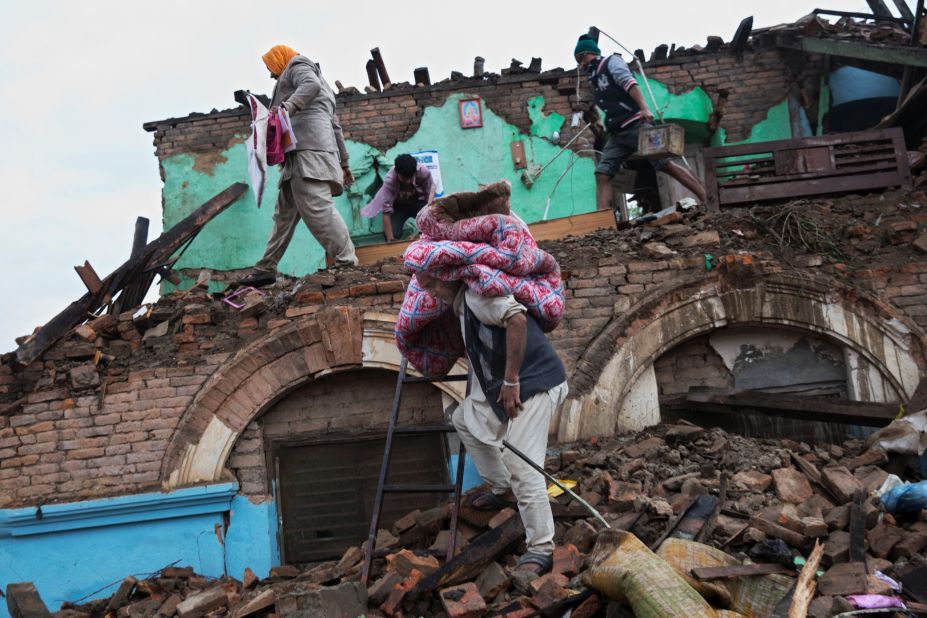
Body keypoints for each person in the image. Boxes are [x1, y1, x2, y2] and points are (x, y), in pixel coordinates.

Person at [416, 272, 569, 575]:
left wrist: (511, 380)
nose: (433, 293)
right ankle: (502, 488)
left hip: (535, 382)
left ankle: (541, 547)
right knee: (463, 418)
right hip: (508, 386)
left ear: (450, 276)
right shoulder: (463, 304)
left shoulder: (478, 295)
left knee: (521, 463)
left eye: (433, 284)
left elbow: (517, 320)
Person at [238, 45, 358, 288]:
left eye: (271, 68)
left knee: (318, 209)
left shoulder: (297, 65)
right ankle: (266, 267)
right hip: (302, 155)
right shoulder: (326, 90)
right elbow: (336, 128)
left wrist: (285, 108)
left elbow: (309, 85)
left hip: (308, 152)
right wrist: (344, 163)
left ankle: (347, 262)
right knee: (283, 216)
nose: (272, 75)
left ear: (279, 59)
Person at [574, 35, 707, 212]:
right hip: (616, 133)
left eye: (580, 60)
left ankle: (705, 197)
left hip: (635, 125)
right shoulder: (593, 77)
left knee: (665, 164)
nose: (580, 66)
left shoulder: (611, 62)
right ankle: (602, 221)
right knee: (602, 173)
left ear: (584, 55)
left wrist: (644, 109)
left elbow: (630, 83)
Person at [362, 154, 435, 242]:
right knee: (391, 233)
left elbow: (429, 202)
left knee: (432, 225)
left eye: (410, 178)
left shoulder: (423, 172)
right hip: (399, 207)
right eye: (404, 178)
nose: (408, 181)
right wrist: (390, 240)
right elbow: (386, 212)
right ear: (397, 172)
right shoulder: (389, 180)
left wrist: (422, 229)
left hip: (420, 204)